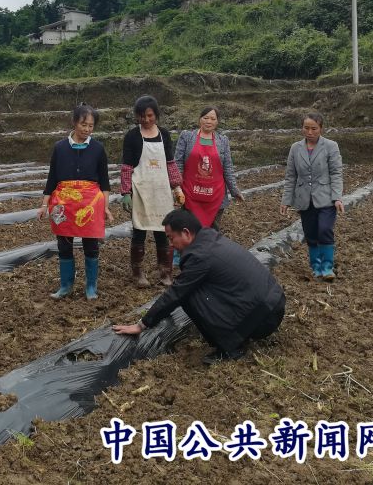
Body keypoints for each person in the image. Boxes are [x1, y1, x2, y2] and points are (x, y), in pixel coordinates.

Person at [113, 209, 286, 365]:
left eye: (171, 238)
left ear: (186, 233)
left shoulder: (200, 256)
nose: (170, 244)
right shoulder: (209, 238)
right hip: (273, 304)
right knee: (198, 289)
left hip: (264, 319)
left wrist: (142, 325)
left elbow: (176, 293)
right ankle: (235, 331)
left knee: (189, 295)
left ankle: (231, 347)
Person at [37, 104, 113, 300]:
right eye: (83, 124)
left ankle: (91, 287)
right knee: (64, 244)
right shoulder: (60, 148)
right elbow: (52, 179)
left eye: (91, 126)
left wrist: (106, 207)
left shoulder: (98, 149)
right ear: (74, 122)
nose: (87, 129)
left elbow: (104, 181)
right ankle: (66, 286)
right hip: (64, 202)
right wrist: (44, 205)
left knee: (91, 244)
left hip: (90, 202)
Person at [120, 95, 183, 287]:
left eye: (150, 115)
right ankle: (138, 273)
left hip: (161, 190)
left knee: (163, 231)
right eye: (142, 116)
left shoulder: (164, 134)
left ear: (156, 114)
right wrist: (126, 193)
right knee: (139, 231)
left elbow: (170, 163)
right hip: (141, 190)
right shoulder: (132, 136)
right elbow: (127, 167)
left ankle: (165, 272)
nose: (146, 120)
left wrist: (177, 188)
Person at [280, 112, 344, 281]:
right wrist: (286, 200)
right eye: (306, 128)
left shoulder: (331, 146)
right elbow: (291, 176)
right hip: (304, 199)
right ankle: (316, 267)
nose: (309, 132)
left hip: (326, 198)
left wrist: (337, 197)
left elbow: (336, 173)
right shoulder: (295, 148)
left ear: (321, 128)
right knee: (310, 234)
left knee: (324, 229)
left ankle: (327, 268)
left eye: (314, 128)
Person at [174, 106, 244, 231]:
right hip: (190, 195)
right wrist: (177, 188)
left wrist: (234, 190)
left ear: (217, 122)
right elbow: (178, 163)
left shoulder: (223, 141)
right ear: (200, 119)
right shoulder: (187, 137)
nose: (209, 121)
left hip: (215, 195)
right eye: (206, 118)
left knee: (212, 232)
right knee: (189, 231)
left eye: (213, 119)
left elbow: (227, 168)